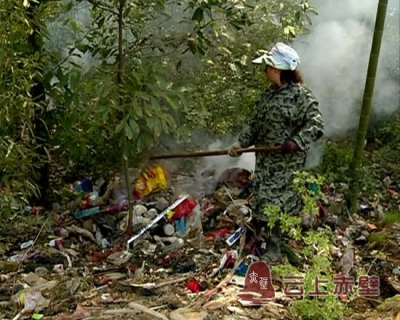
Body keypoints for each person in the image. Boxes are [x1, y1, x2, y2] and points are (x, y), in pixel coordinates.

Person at [228, 42, 324, 262]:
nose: (265, 70)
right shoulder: (266, 97)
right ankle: (261, 237)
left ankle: (275, 247)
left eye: (268, 66)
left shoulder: (301, 96)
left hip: (286, 164)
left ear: (278, 70)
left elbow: (316, 125)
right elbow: (254, 124)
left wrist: (296, 141)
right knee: (262, 198)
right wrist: (240, 144)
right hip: (265, 162)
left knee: (277, 204)